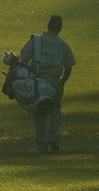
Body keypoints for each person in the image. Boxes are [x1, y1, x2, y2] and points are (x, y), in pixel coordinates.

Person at [20, 15, 76, 153]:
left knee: (40, 112)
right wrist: (61, 83)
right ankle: (54, 139)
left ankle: (42, 146)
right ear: (60, 28)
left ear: (48, 25)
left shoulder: (37, 41)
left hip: (39, 81)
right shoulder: (63, 45)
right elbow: (69, 67)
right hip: (55, 81)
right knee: (55, 110)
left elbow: (23, 57)